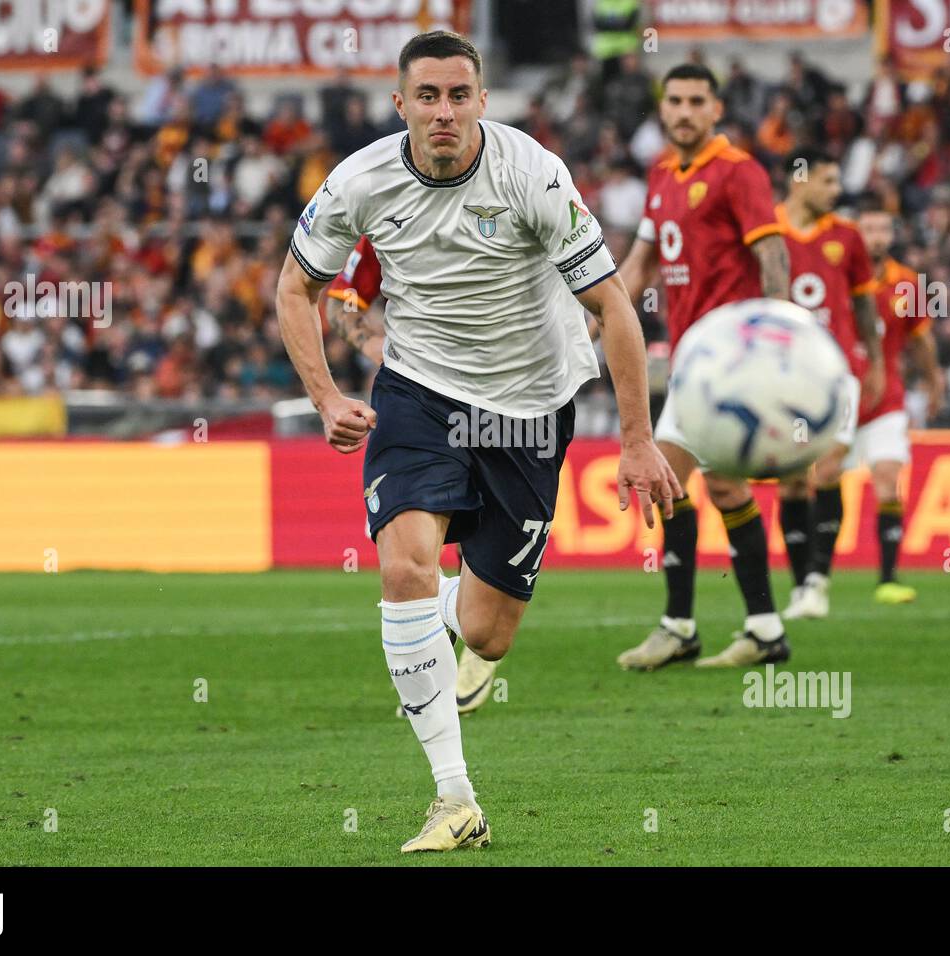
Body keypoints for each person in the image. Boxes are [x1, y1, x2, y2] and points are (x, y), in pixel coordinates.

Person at [275, 31, 680, 853]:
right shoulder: (359, 180)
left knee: (487, 631)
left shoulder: (533, 172)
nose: (444, 111)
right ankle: (453, 797)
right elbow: (296, 285)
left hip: (530, 409)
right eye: (427, 96)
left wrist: (637, 439)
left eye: (460, 95)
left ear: (483, 101)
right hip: (418, 396)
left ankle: (460, 642)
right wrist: (325, 398)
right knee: (405, 567)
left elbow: (613, 309)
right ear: (401, 105)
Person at [612, 63, 795, 672]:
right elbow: (640, 262)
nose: (684, 111)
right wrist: (591, 320)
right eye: (675, 100)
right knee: (707, 487)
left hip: (733, 359)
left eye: (696, 101)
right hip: (691, 360)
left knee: (667, 481)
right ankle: (763, 630)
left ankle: (681, 625)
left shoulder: (739, 171)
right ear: (662, 109)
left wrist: (777, 339)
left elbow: (771, 252)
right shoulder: (661, 174)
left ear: (717, 109)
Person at [323, 238, 499, 716]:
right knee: (413, 544)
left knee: (484, 537)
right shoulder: (392, 210)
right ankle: (440, 657)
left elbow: (589, 293)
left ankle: (476, 640)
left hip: (510, 401)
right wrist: (370, 341)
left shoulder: (518, 196)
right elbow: (342, 302)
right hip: (422, 405)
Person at [774, 148, 883, 621]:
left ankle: (819, 577)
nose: (837, 192)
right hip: (782, 374)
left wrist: (875, 361)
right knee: (792, 483)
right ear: (800, 180)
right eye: (829, 181)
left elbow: (863, 304)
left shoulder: (848, 237)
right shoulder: (766, 230)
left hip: (837, 373)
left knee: (828, 469)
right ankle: (802, 587)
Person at [854, 197, 944, 603]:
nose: (876, 238)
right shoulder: (836, 275)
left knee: (888, 481)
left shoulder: (906, 281)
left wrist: (934, 380)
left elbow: (920, 338)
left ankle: (888, 577)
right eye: (869, 229)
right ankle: (812, 578)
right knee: (816, 482)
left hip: (887, 398)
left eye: (883, 230)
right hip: (837, 401)